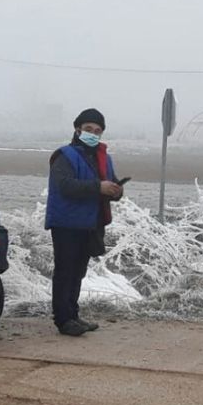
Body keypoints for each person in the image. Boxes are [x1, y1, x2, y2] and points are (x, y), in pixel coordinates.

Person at [46, 107, 124, 337]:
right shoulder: (64, 155)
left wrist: (116, 191)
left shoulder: (103, 158)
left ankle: (73, 314)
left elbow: (112, 184)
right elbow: (65, 186)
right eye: (88, 129)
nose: (92, 133)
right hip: (66, 223)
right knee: (65, 271)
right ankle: (62, 319)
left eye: (97, 130)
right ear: (77, 129)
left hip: (90, 223)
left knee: (78, 271)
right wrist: (98, 187)